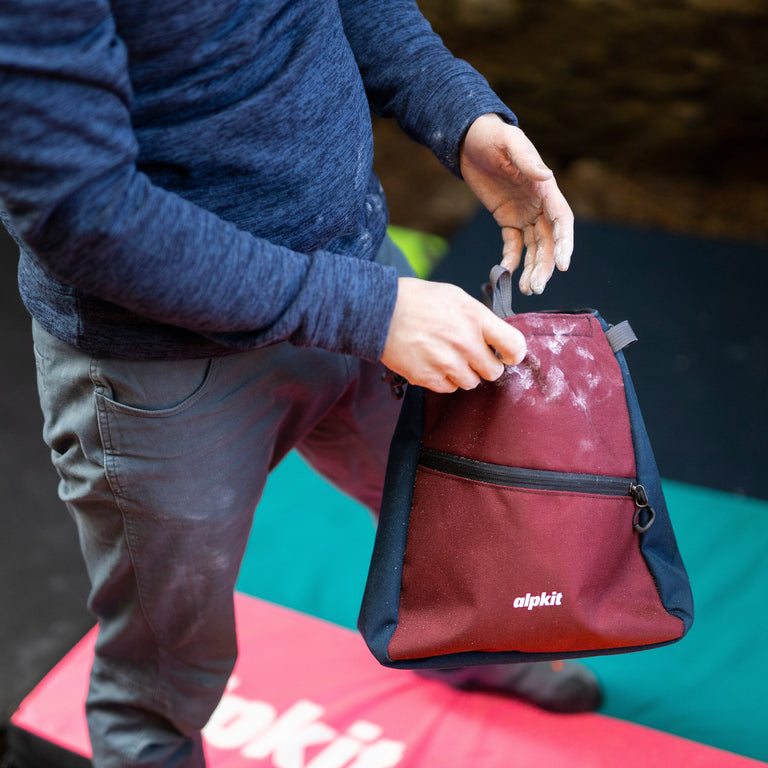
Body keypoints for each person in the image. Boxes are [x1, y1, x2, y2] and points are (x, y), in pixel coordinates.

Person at [0, 1, 598, 765]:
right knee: (161, 671)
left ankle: (466, 647)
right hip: (159, 365)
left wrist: (459, 110)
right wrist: (367, 312)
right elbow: (80, 211)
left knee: (448, 514)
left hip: (358, 263)